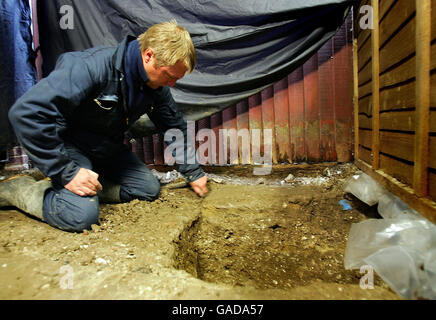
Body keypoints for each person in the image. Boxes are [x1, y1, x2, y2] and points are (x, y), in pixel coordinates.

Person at [1, 20, 208, 232]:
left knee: (148, 189)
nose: (172, 84)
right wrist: (66, 172)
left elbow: (172, 125)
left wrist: (193, 171)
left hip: (106, 147)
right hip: (71, 146)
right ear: (148, 55)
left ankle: (82, 185)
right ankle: (20, 189)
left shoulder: (156, 86)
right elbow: (26, 113)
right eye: (170, 76)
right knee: (81, 216)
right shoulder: (89, 67)